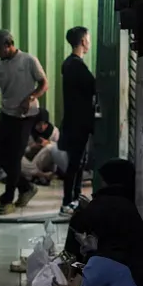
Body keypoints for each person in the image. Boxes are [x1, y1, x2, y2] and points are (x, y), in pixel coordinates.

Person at [0, 29, 49, 215]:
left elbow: (44, 83)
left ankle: (7, 199)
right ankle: (26, 187)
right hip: (7, 114)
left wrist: (30, 98)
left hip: (26, 116)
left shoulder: (29, 60)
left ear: (9, 44)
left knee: (14, 157)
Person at [64, 157, 138, 259]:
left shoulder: (109, 201)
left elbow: (80, 223)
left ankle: (70, 266)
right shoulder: (124, 199)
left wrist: (87, 208)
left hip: (113, 260)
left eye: (103, 180)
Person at [59, 26, 96, 216]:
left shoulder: (70, 64)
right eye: (88, 38)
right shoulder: (76, 66)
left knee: (78, 163)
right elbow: (93, 86)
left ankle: (75, 198)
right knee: (75, 163)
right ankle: (68, 201)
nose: (89, 41)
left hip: (75, 122)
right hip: (77, 123)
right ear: (83, 41)